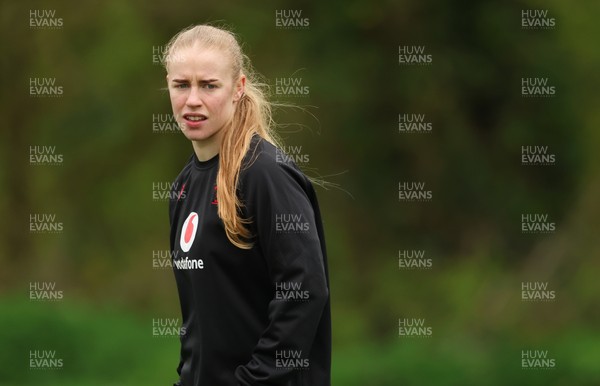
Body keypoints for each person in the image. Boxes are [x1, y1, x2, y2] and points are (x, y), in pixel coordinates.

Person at [163, 24, 331, 386]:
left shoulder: (265, 174)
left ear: (238, 88)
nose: (193, 100)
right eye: (181, 85)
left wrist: (252, 381)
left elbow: (305, 291)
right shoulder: (181, 188)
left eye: (209, 85)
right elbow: (199, 321)